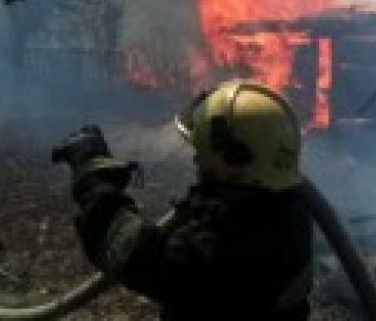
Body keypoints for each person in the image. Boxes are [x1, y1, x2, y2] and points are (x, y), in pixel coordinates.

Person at [56, 79, 314, 320]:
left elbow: (135, 254)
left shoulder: (234, 250)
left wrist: (93, 178)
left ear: (233, 161)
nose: (196, 160)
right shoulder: (283, 203)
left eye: (201, 151)